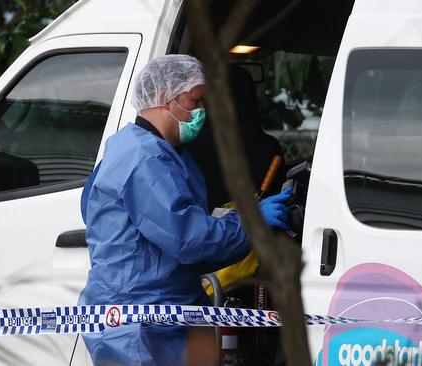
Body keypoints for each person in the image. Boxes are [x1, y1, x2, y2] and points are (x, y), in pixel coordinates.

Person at [78, 54, 292, 366]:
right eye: (195, 101)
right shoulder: (145, 160)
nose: (202, 111)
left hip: (168, 311)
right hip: (140, 323)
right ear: (165, 97)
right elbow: (189, 239)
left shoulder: (147, 149)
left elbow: (177, 224)